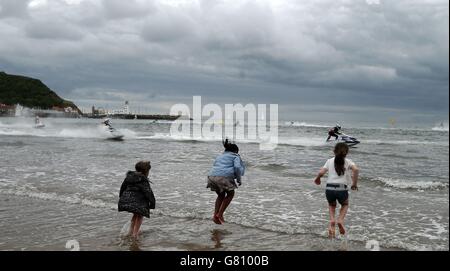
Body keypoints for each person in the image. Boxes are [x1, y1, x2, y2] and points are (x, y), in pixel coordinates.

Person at [314, 143, 359, 238]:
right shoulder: (348, 161)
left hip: (329, 188)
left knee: (331, 205)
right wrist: (354, 184)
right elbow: (356, 170)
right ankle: (340, 220)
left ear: (334, 151)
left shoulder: (329, 161)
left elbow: (321, 172)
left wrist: (317, 178)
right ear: (346, 153)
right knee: (345, 204)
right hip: (342, 188)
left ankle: (332, 220)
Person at [207, 139, 245, 224]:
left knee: (221, 195)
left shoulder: (219, 156)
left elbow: (216, 166)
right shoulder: (235, 156)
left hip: (211, 177)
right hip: (223, 177)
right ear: (236, 151)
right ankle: (220, 214)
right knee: (231, 194)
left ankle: (215, 215)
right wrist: (239, 179)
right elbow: (237, 167)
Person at [118, 161, 155, 239]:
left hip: (127, 199)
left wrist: (121, 197)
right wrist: (152, 203)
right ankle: (135, 234)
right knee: (140, 216)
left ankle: (131, 231)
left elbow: (122, 188)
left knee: (135, 214)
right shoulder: (143, 180)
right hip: (138, 202)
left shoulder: (129, 177)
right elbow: (148, 192)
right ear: (146, 171)